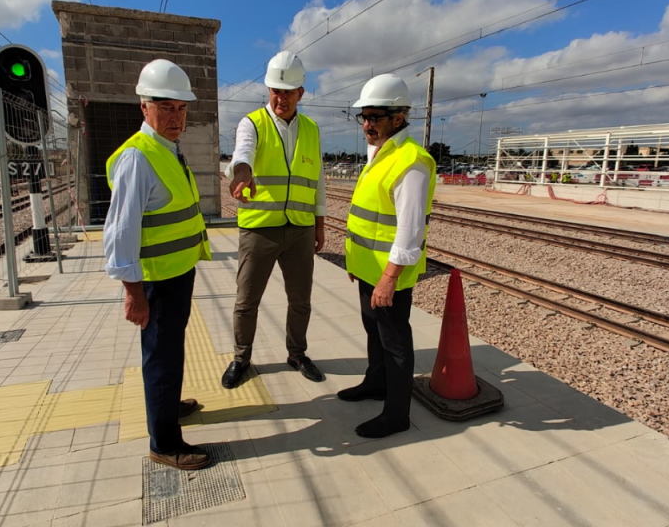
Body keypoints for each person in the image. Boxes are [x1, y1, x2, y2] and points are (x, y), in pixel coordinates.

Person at [103, 59, 212, 470]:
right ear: (144, 107)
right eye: (166, 107)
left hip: (176, 273)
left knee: (170, 350)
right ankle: (164, 444)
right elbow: (121, 232)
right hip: (156, 281)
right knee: (161, 356)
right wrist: (132, 293)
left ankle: (165, 405)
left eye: (181, 108)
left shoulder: (166, 148)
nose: (176, 117)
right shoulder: (138, 158)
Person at [337, 74, 436, 439]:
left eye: (374, 117)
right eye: (363, 117)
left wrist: (389, 278)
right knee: (373, 330)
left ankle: (397, 414)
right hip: (369, 268)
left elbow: (410, 231)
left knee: (395, 342)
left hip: (388, 274)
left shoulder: (410, 162)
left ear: (398, 117)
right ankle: (376, 382)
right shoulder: (381, 153)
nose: (367, 124)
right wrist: (357, 263)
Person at [221, 51, 327, 388]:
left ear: (301, 93)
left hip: (300, 229)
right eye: (275, 91)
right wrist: (241, 172)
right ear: (268, 90)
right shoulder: (252, 124)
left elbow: (318, 180)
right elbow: (243, 152)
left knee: (301, 301)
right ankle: (241, 358)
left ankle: (297, 354)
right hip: (259, 230)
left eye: (288, 92)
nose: (281, 98)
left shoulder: (311, 129)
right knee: (246, 301)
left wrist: (319, 224)